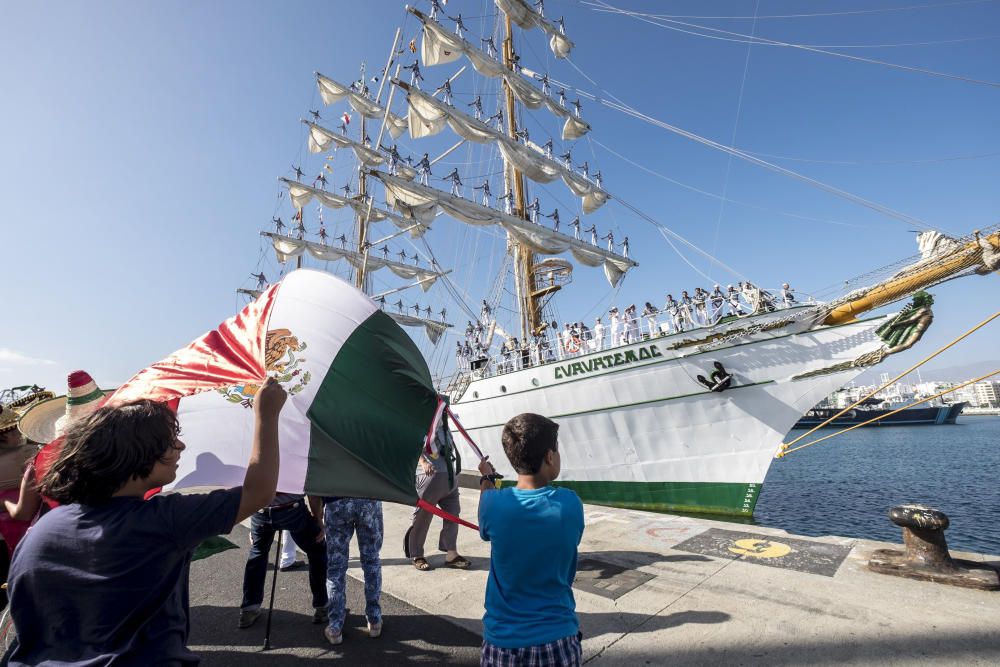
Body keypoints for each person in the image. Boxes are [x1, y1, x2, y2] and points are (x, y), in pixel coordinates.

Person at [7, 377, 287, 665]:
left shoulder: (42, 531)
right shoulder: (163, 520)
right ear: (137, 453)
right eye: (168, 441)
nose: (180, 445)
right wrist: (266, 414)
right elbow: (259, 492)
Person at [477, 413, 584, 666]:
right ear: (549, 456)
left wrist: (486, 476)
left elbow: (487, 505)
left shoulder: (492, 505)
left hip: (502, 643)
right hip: (558, 641)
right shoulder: (570, 504)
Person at [238, 488, 328, 628]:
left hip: (261, 510)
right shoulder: (298, 464)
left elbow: (248, 487)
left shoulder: (258, 464)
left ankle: (249, 608)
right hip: (291, 508)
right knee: (317, 549)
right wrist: (319, 520)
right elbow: (313, 494)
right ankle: (322, 605)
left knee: (257, 554)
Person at [407, 417, 469, 572]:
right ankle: (416, 554)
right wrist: (423, 462)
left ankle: (451, 554)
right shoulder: (422, 423)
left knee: (453, 515)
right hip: (430, 479)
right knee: (423, 517)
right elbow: (412, 445)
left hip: (450, 479)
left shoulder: (445, 426)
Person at [323, 494, 384, 645]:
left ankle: (335, 626)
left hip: (336, 500)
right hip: (368, 498)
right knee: (371, 560)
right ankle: (374, 619)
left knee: (336, 567)